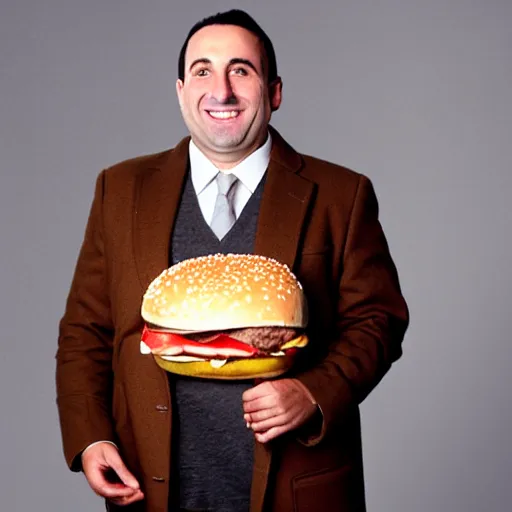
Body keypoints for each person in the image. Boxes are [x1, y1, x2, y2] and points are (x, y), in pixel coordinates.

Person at [56, 9, 409, 512]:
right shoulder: (120, 188)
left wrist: (313, 393)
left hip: (295, 485)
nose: (220, 90)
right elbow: (84, 330)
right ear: (181, 90)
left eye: (240, 70)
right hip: (151, 487)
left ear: (275, 91)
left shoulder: (341, 194)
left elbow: (379, 320)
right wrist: (90, 437)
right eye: (202, 71)